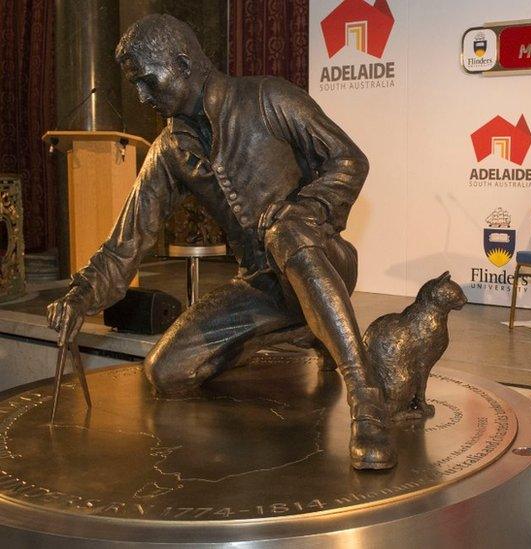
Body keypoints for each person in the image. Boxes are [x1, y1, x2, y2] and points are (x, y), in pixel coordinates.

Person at [45, 14, 395, 470]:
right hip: (261, 285)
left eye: (148, 82)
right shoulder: (170, 151)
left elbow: (349, 160)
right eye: (136, 86)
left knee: (286, 232)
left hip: (322, 260)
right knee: (165, 373)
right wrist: (80, 295)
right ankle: (303, 330)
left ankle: (367, 402)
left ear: (183, 63)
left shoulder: (269, 98)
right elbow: (123, 244)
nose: (142, 97)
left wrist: (305, 209)